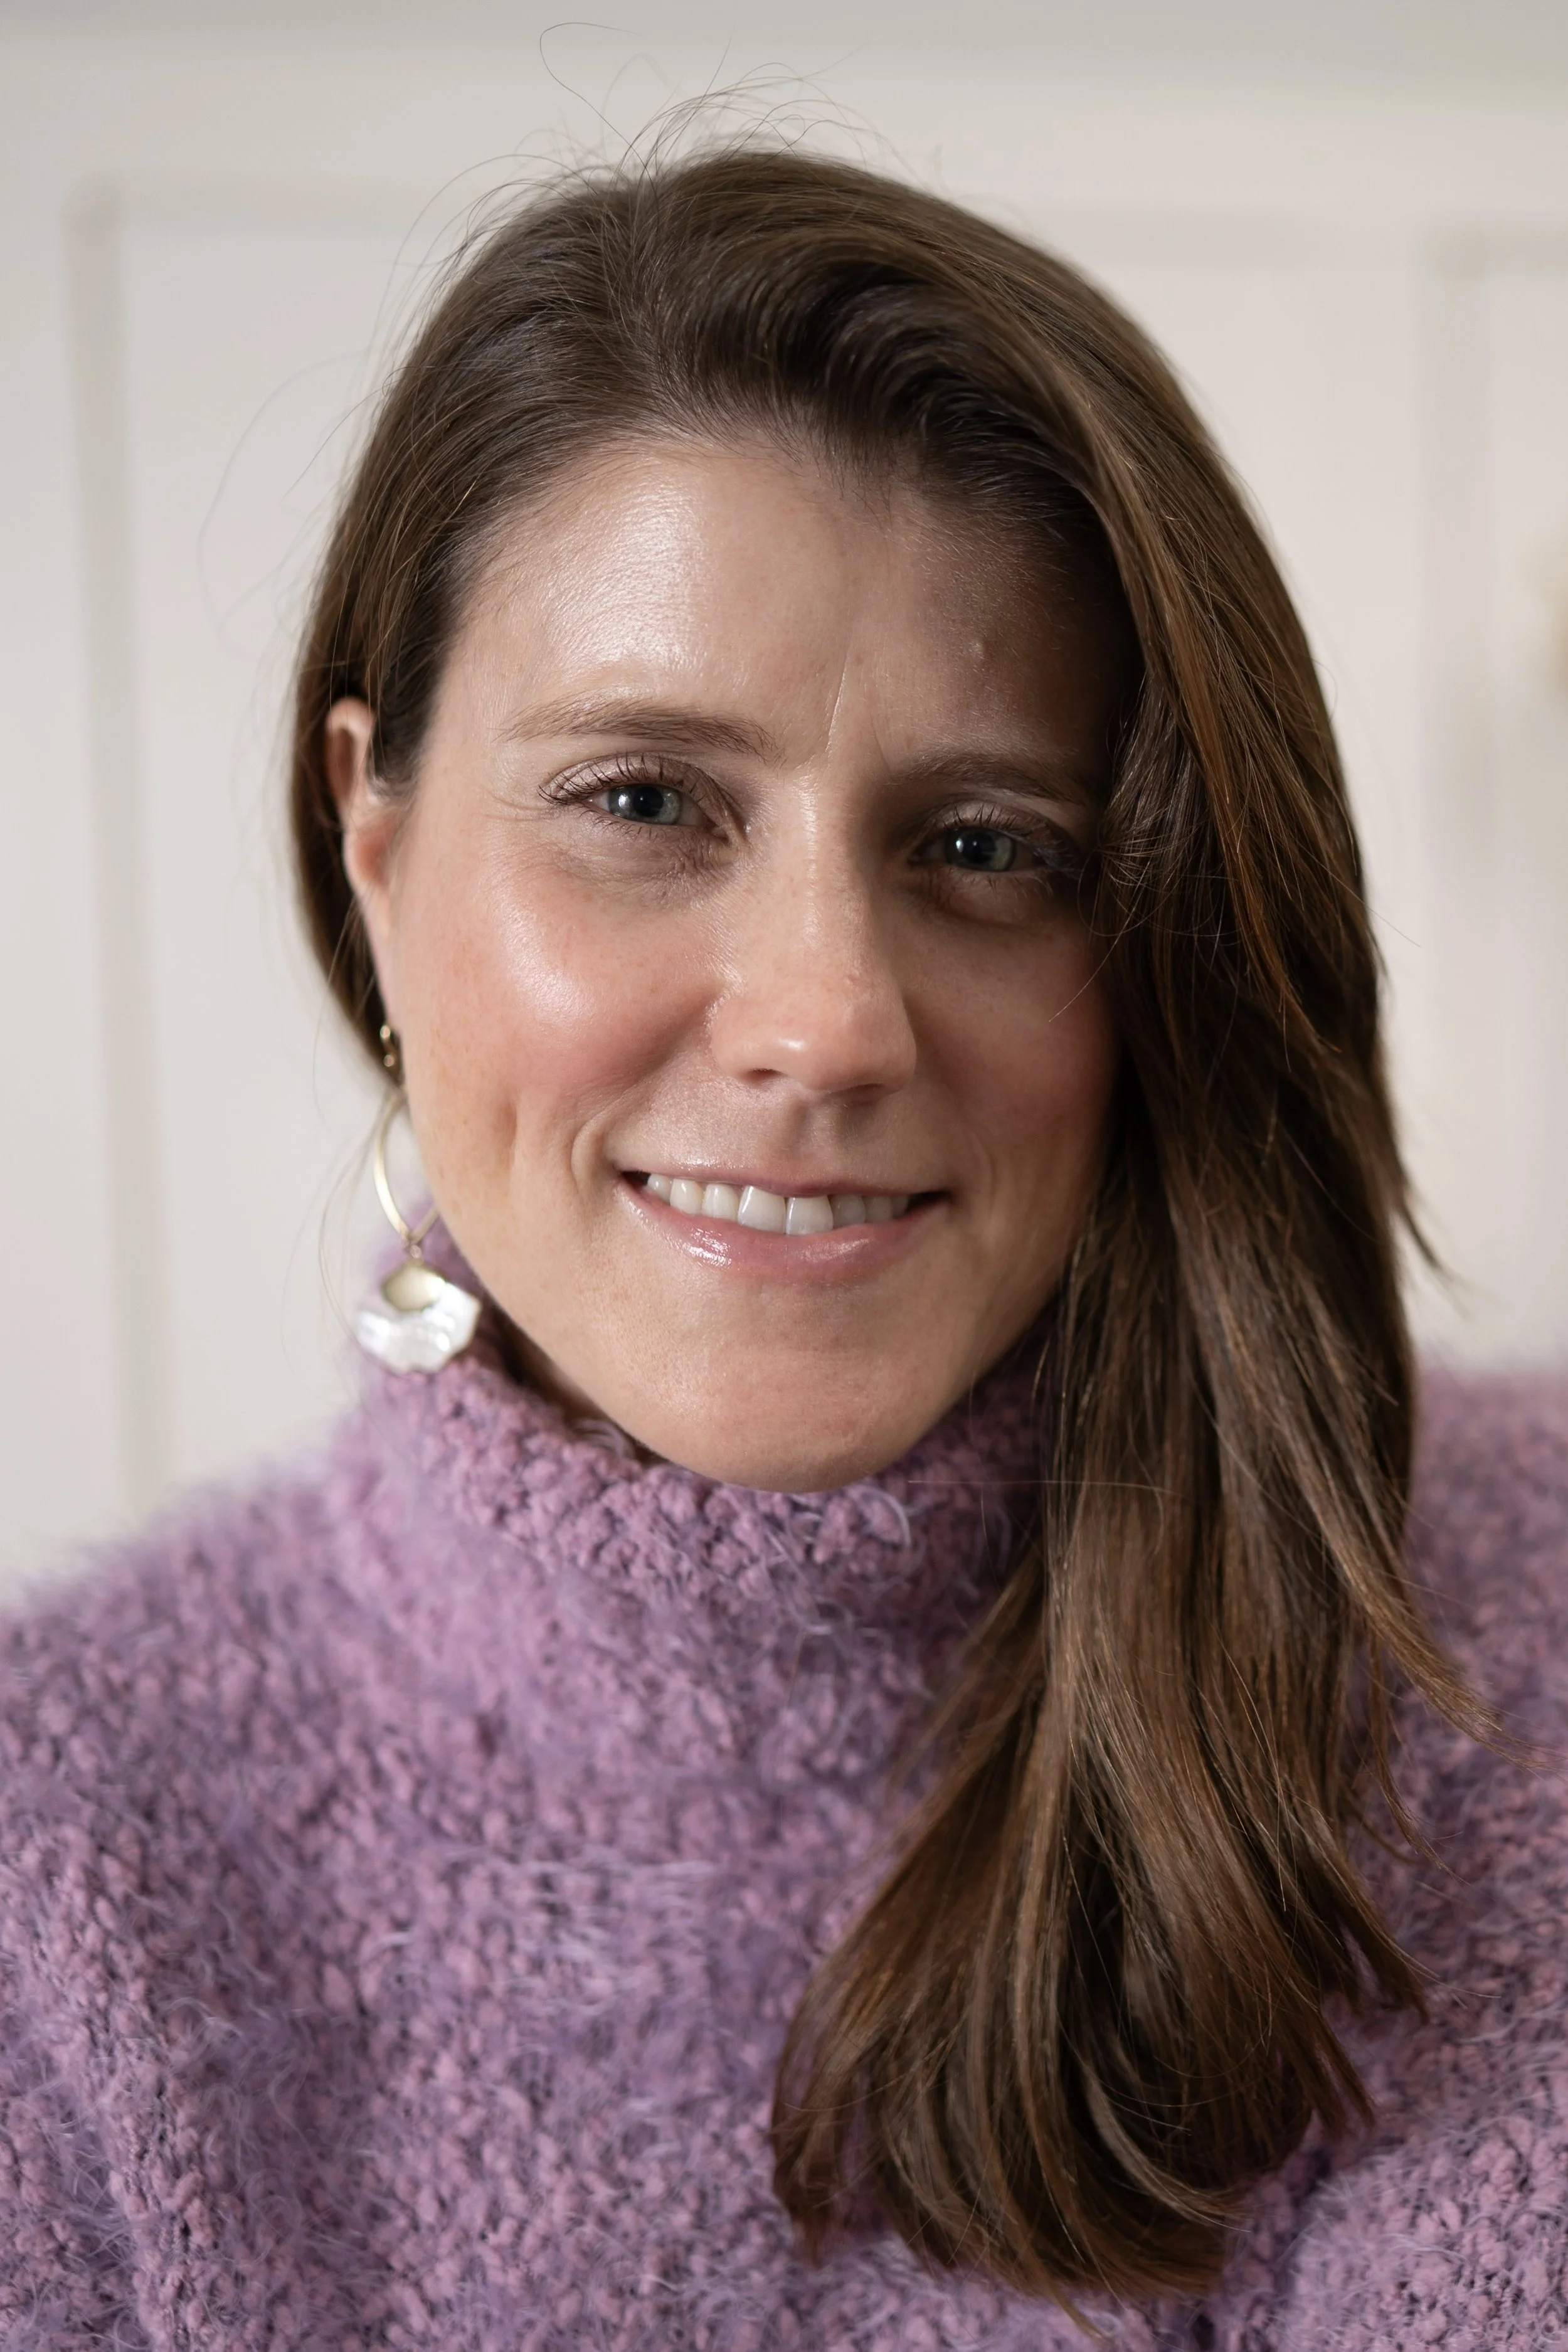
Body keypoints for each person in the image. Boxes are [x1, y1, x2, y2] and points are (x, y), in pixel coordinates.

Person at [2, 144, 1565, 2352]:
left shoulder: (1514, 1649)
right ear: (374, 837)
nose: (826, 1018)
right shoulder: (63, 1876)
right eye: (644, 801)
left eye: (986, 844)